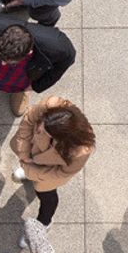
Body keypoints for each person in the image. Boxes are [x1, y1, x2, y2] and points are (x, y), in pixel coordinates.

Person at [0, 10, 75, 116]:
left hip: (24, 75)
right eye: (0, 55)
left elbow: (66, 60)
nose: (2, 63)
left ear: (29, 52)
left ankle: (20, 92)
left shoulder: (59, 47)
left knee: (20, 84)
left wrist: (35, 86)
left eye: (9, 61)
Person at [9, 96, 93, 226]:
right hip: (32, 152)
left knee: (46, 196)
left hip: (48, 173)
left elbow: (60, 174)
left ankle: (44, 223)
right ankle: (28, 172)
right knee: (30, 163)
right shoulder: (51, 105)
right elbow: (29, 121)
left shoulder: (80, 152)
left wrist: (31, 170)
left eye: (45, 131)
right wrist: (24, 154)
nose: (40, 128)